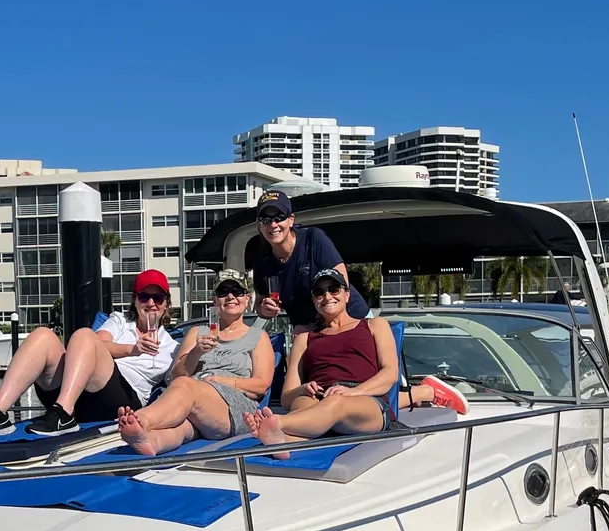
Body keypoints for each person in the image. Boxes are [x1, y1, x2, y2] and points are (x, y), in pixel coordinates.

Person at [245, 268, 462, 446]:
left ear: (347, 295)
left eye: (333, 289)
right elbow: (286, 398)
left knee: (335, 403)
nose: (327, 296)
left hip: (365, 400)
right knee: (301, 402)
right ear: (314, 300)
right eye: (319, 293)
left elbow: (389, 374)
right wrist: (303, 389)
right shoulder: (304, 338)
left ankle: (279, 424)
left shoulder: (374, 325)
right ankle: (283, 440)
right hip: (319, 398)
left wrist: (353, 392)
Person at [0, 269, 177, 436]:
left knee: (84, 336)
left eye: (157, 298)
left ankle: (64, 414)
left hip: (120, 399)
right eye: (144, 297)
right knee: (43, 335)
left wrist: (198, 350)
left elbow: (180, 379)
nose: (151, 304)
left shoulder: (171, 346)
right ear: (135, 300)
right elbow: (100, 342)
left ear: (166, 303)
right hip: (79, 389)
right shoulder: (120, 321)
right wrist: (131, 350)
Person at [117, 270, 275, 457]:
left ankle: (141, 419)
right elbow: (175, 376)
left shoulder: (258, 337)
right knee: (183, 428)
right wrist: (196, 351)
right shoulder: (197, 332)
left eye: (237, 291)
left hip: (235, 408)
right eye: (223, 291)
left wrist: (219, 380)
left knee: (186, 387)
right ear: (214, 299)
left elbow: (261, 385)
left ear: (247, 298)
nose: (230, 296)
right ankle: (151, 441)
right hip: (196, 404)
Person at [244, 189, 371, 329]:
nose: (273, 224)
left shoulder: (313, 239)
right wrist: (264, 310)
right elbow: (259, 303)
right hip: (308, 332)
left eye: (279, 217)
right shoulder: (262, 262)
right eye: (266, 220)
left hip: (352, 320)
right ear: (259, 226)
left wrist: (313, 327)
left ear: (291, 220)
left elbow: (341, 285)